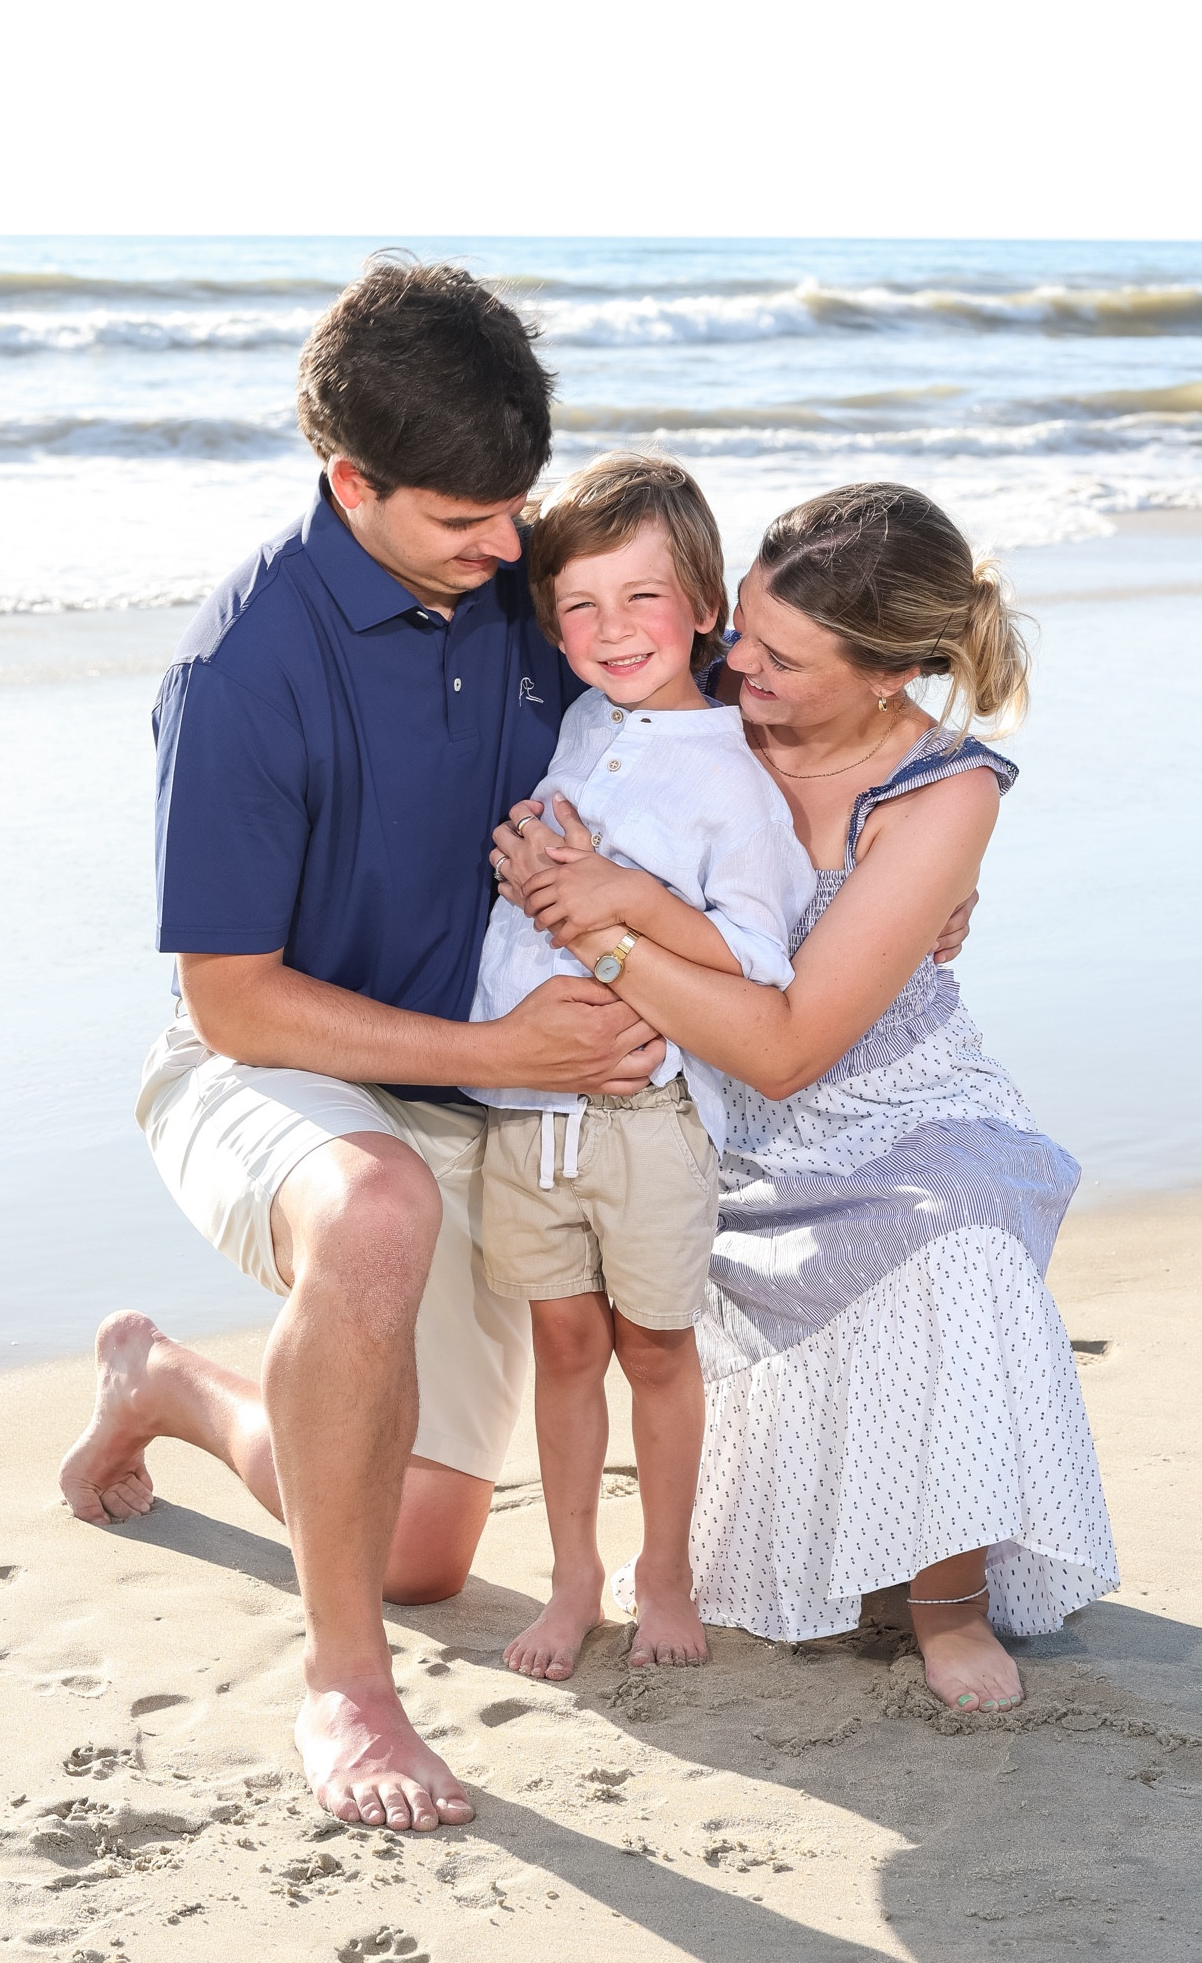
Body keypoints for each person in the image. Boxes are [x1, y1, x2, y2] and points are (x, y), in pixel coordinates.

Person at [57, 258, 674, 1835]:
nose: (505, 546)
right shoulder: (241, 669)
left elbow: (728, 716)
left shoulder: (517, 572)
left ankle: (166, 1385)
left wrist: (907, 876)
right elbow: (230, 999)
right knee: (378, 1208)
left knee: (420, 1557)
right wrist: (502, 1050)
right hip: (262, 1058)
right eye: (466, 519)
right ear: (350, 479)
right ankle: (343, 1691)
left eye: (516, 507)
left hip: (467, 1071)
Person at [494, 482, 1118, 1716]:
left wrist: (606, 925)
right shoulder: (705, 696)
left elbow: (790, 1050)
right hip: (696, 1099)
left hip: (884, 1095)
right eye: (743, 630)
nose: (740, 661)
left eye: (781, 656)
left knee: (960, 1241)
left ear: (889, 674)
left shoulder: (943, 790)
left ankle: (947, 1601)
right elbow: (609, 575)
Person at [465, 453, 814, 1683]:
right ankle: (573, 1573)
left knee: (655, 1346)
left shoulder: (732, 777)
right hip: (522, 1109)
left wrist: (614, 901)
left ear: (707, 606)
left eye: (643, 599)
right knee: (562, 1344)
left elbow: (755, 960)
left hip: (646, 1114)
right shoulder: (569, 723)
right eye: (579, 604)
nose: (611, 631)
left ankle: (661, 1566)